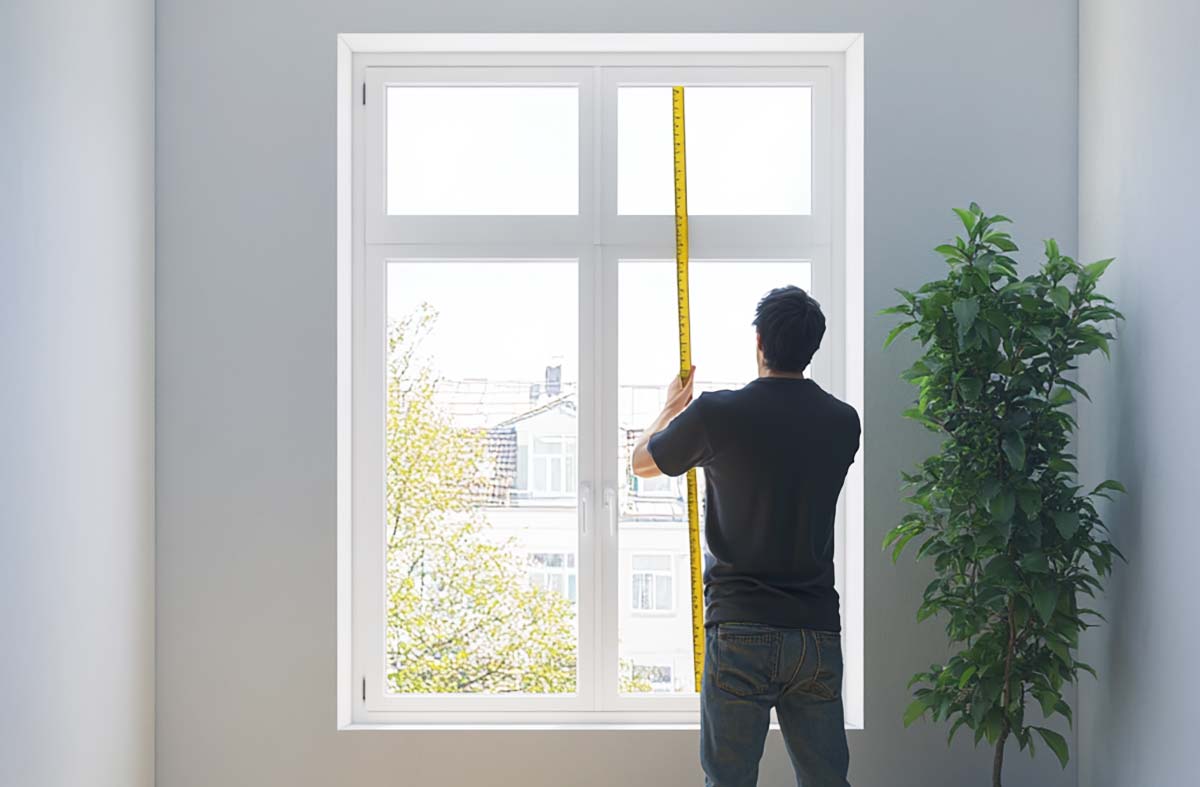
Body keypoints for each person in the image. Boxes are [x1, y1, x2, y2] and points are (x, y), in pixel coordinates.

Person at [631, 285, 861, 787]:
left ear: (759, 341)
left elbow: (642, 463)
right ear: (813, 346)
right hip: (814, 631)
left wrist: (670, 408)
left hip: (738, 629)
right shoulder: (844, 423)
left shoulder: (719, 414)